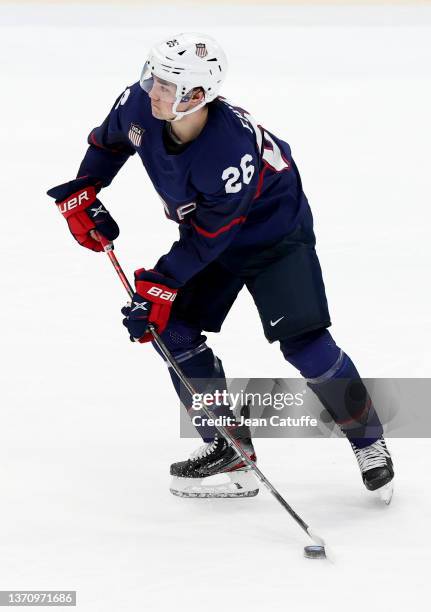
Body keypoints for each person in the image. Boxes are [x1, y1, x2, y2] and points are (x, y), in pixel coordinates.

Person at [48, 32, 394, 502]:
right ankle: (228, 446)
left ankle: (368, 440)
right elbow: (109, 144)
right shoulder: (139, 103)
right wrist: (85, 189)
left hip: (274, 235)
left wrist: (160, 286)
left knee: (306, 346)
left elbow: (212, 237)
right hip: (210, 234)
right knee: (173, 332)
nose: (153, 91)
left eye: (168, 86)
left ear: (198, 96)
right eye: (154, 76)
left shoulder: (227, 151)